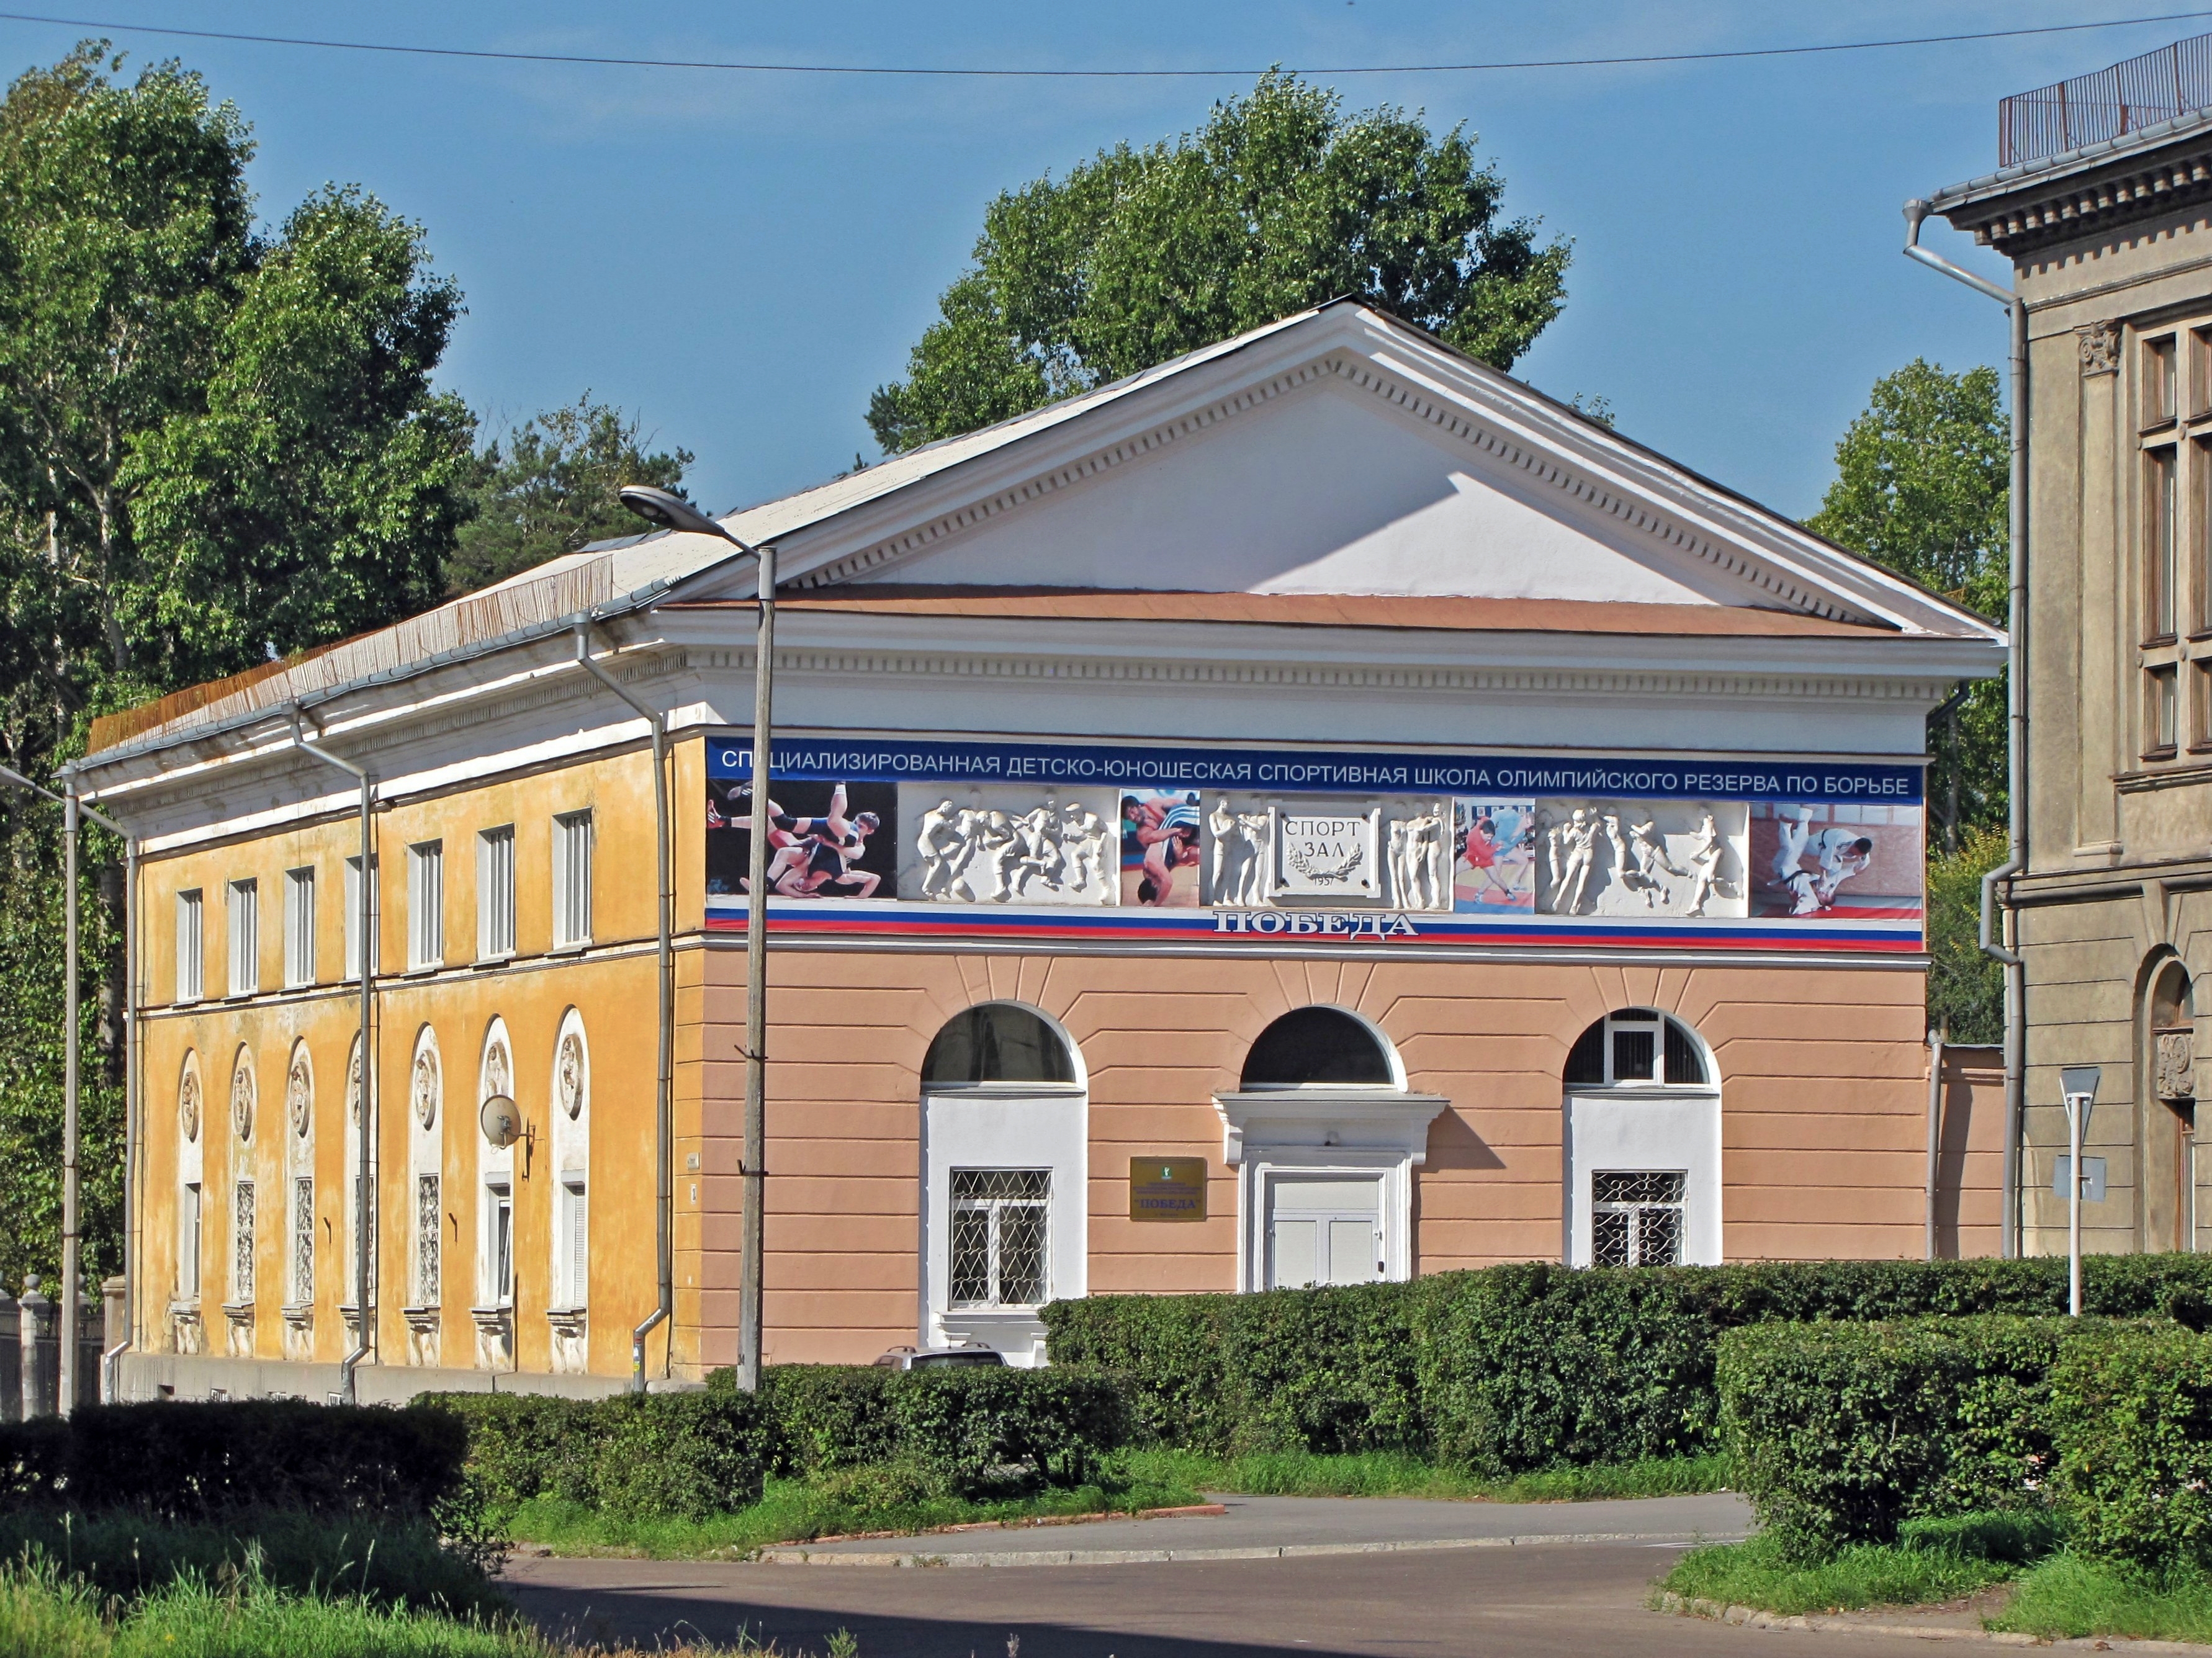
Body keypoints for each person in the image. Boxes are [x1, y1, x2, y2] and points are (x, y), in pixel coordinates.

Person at [742, 783, 883, 899]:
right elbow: (861, 862)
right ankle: (840, 783)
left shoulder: (807, 868)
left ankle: (754, 793)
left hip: (830, 833)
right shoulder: (841, 875)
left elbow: (782, 885)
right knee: (791, 824)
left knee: (786, 825)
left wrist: (804, 896)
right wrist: (859, 898)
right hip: (837, 831)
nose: (804, 886)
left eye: (800, 886)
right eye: (859, 824)